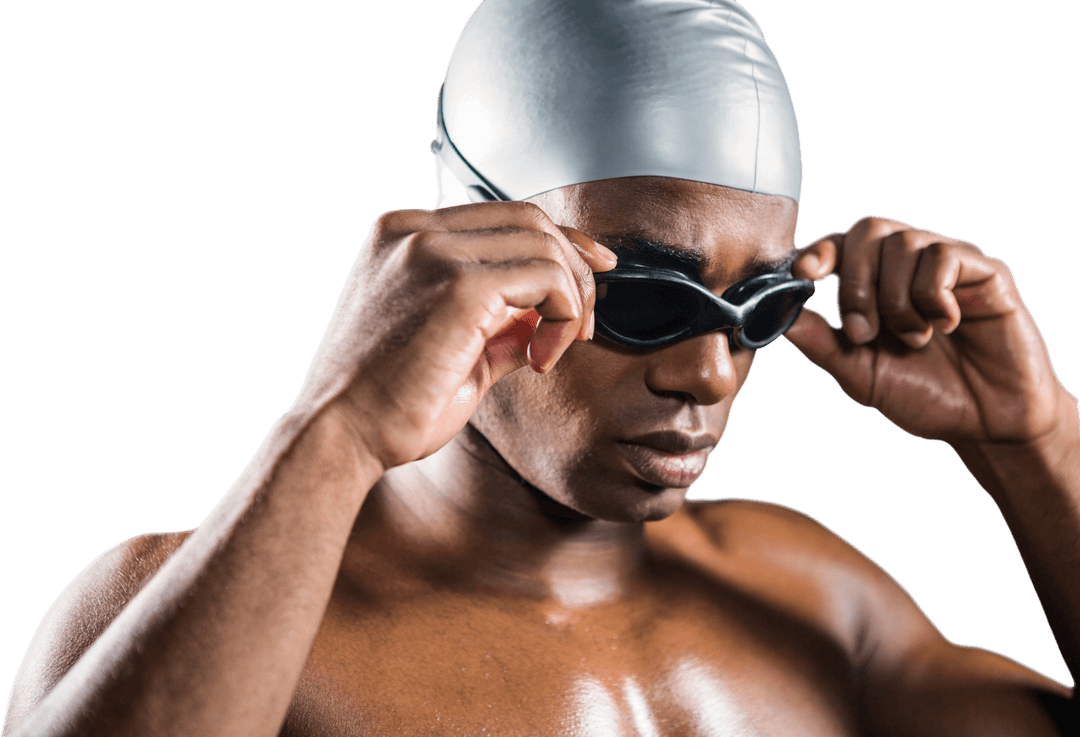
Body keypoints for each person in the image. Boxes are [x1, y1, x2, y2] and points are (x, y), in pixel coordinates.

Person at [5, 0, 1078, 734]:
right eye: (649, 300)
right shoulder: (187, 607)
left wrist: (1035, 444)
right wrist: (331, 431)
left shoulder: (809, 597)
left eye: (759, 308)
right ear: (467, 251)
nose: (710, 374)